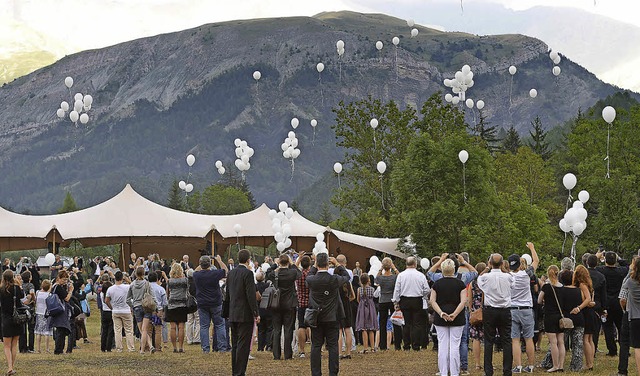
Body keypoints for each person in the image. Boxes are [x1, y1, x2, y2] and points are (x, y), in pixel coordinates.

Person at [306, 253, 350, 376]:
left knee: (316, 346)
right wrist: (338, 265)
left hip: (316, 317)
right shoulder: (334, 279)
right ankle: (333, 372)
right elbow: (346, 277)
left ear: (316, 264)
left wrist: (314, 266)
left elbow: (309, 274)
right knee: (333, 346)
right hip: (332, 317)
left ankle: (316, 373)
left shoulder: (311, 280)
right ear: (327, 264)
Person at [430, 259, 468, 376]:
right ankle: (455, 372)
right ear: (454, 269)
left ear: (442, 270)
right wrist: (455, 314)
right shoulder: (460, 283)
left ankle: (444, 372)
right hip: (458, 318)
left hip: (440, 318)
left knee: (443, 345)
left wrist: (441, 313)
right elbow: (463, 301)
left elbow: (432, 301)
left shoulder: (437, 284)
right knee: (454, 346)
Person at [224, 249, 260, 376]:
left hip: (233, 312)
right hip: (245, 314)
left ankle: (235, 371)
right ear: (248, 259)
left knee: (235, 345)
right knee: (243, 346)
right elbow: (251, 295)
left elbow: (227, 294)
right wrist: (256, 312)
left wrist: (226, 311)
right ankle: (240, 372)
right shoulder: (248, 274)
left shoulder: (231, 273)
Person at [477, 253, 514, 376]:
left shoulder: (486, 277)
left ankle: (488, 371)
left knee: (489, 341)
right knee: (507, 341)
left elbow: (479, 279)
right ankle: (507, 371)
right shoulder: (508, 277)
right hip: (505, 310)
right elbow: (512, 282)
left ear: (490, 263)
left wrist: (487, 268)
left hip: (490, 311)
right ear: (502, 263)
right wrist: (503, 269)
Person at [508, 242, 539, 373]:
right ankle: (531, 366)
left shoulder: (508, 277)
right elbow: (536, 261)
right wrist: (532, 248)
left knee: (515, 340)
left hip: (513, 309)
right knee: (529, 338)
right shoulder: (526, 274)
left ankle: (518, 366)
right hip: (526, 309)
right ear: (520, 264)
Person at [267, 253, 301, 360]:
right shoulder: (292, 273)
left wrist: (274, 265)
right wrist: (292, 264)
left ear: (279, 262)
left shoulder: (275, 274)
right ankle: (287, 354)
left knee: (276, 330)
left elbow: (267, 272)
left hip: (276, 304)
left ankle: (276, 354)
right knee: (288, 329)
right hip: (289, 304)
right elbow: (299, 273)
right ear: (288, 262)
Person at [392, 256, 431, 351]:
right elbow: (427, 289)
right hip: (417, 300)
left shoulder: (401, 275)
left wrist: (396, 301)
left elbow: (397, 289)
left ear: (406, 264)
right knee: (416, 323)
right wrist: (423, 296)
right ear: (415, 264)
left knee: (406, 323)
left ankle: (406, 345)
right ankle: (416, 345)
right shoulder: (421, 275)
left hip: (404, 300)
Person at [192, 255, 228, 353]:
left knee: (204, 326)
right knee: (220, 325)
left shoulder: (197, 275)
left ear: (200, 264)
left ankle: (205, 349)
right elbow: (225, 270)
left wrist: (202, 263)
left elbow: (194, 271)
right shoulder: (214, 274)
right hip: (216, 302)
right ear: (210, 264)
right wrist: (219, 261)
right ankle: (222, 348)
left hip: (202, 303)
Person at [596, 251, 629, 357]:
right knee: (621, 327)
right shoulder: (621, 271)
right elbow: (627, 266)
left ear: (605, 260)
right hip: (619, 301)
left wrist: (597, 258)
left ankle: (612, 350)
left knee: (608, 327)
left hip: (606, 302)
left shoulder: (601, 270)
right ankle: (625, 349)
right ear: (615, 261)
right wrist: (619, 258)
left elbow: (591, 267)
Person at [559, 268, 590, 372]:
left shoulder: (561, 291)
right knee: (578, 344)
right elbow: (585, 299)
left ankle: (558, 363)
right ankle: (576, 366)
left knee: (561, 342)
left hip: (567, 319)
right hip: (579, 318)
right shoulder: (578, 290)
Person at [538, 265, 565, 373]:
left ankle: (555, 365)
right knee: (561, 342)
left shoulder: (546, 287)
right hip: (560, 316)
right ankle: (561, 365)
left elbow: (539, 300)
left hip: (549, 315)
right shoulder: (562, 287)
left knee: (553, 342)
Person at [0, 270, 24, 375]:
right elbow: (22, 297)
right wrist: (18, 283)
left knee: (6, 346)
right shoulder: (17, 288)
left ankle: (9, 367)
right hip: (17, 319)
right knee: (14, 345)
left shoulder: (1, 289)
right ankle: (12, 367)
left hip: (6, 319)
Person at [105, 271, 135, 352]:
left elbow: (107, 300)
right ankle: (131, 347)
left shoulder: (110, 289)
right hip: (126, 310)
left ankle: (119, 348)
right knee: (128, 330)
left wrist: (112, 308)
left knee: (117, 330)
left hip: (116, 310)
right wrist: (128, 280)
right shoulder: (127, 287)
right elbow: (133, 286)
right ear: (122, 278)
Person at [375, 257, 401, 351]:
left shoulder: (381, 278)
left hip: (383, 300)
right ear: (390, 266)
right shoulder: (394, 277)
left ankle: (382, 345)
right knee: (396, 322)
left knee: (382, 323)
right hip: (392, 300)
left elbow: (376, 279)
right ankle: (397, 345)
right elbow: (400, 276)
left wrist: (380, 268)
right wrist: (394, 268)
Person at [574, 265, 596, 371]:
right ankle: (590, 362)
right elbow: (591, 300)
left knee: (586, 339)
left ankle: (589, 364)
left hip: (586, 312)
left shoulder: (582, 284)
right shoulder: (589, 284)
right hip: (591, 312)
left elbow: (587, 299)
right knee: (590, 339)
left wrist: (579, 308)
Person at [620, 257, 640, 376]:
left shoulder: (630, 282)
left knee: (637, 347)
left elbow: (622, 296)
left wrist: (630, 270)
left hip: (635, 316)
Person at [127, 266, 154, 353]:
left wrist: (133, 305)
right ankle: (150, 346)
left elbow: (127, 299)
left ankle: (142, 349)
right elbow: (152, 295)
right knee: (145, 329)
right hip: (146, 306)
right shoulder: (147, 284)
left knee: (142, 330)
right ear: (143, 273)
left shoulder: (132, 285)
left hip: (137, 307)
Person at [585, 254, 606, 354]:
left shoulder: (584, 274)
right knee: (596, 329)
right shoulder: (601, 276)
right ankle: (594, 348)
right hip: (597, 304)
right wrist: (604, 308)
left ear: (587, 263)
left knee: (584, 329)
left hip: (584, 303)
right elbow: (603, 294)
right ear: (597, 263)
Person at [49, 270, 73, 355]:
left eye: (66, 279)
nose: (65, 281)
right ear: (58, 278)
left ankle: (59, 349)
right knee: (61, 330)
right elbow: (66, 298)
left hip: (56, 310)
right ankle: (58, 350)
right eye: (63, 279)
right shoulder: (58, 287)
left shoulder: (54, 287)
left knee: (61, 330)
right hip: (60, 311)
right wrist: (70, 290)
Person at [166, 263, 188, 353]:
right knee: (181, 327)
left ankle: (174, 347)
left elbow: (168, 294)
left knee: (172, 327)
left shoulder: (169, 281)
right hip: (182, 304)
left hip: (172, 304)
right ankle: (181, 347)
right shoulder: (184, 280)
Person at [355, 273, 378, 353]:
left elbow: (358, 299)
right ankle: (372, 347)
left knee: (364, 328)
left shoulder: (359, 289)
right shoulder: (372, 289)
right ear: (368, 280)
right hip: (371, 308)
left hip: (362, 308)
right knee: (371, 328)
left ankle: (365, 348)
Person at [469, 263, 486, 372]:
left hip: (475, 310)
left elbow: (469, 299)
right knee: (488, 337)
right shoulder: (485, 282)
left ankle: (477, 363)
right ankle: (488, 363)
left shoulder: (472, 283)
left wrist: (471, 310)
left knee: (476, 338)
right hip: (485, 310)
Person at [295, 254, 312, 357]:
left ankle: (302, 350)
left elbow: (294, 268)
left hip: (301, 302)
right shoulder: (311, 274)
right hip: (311, 303)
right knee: (311, 326)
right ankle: (314, 348)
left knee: (301, 326)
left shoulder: (299, 275)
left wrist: (299, 259)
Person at [148, 271, 167, 352]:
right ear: (157, 279)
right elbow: (165, 302)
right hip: (158, 310)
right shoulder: (161, 289)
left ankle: (147, 346)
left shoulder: (146, 288)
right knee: (158, 330)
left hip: (148, 309)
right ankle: (158, 347)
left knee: (148, 330)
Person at [18, 271, 35, 354]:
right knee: (31, 328)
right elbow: (32, 293)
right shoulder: (30, 285)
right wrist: (33, 300)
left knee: (23, 328)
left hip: (22, 308)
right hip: (30, 307)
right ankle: (31, 347)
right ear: (29, 278)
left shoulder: (21, 286)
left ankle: (22, 347)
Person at [34, 279, 53, 353]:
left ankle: (38, 348)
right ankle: (47, 348)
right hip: (46, 313)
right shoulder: (49, 295)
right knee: (46, 331)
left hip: (38, 312)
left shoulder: (37, 292)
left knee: (38, 331)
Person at [185, 269, 200, 346]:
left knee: (189, 321)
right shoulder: (197, 282)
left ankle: (189, 339)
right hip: (196, 302)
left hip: (188, 303)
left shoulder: (185, 283)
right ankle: (197, 338)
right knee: (198, 321)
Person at [99, 280, 114, 352]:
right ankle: (109, 347)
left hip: (104, 312)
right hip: (110, 312)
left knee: (104, 331)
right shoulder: (110, 294)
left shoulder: (101, 294)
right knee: (110, 331)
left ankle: (103, 347)